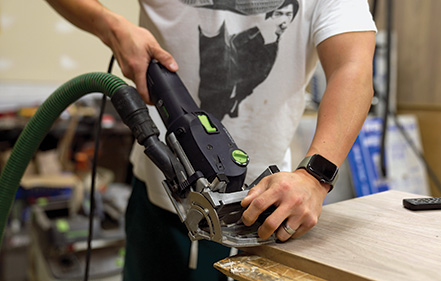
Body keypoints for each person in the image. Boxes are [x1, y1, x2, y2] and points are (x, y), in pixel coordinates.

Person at [46, 0, 376, 280]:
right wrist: (111, 26)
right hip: (157, 197)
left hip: (265, 209)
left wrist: (314, 177)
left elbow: (353, 69)